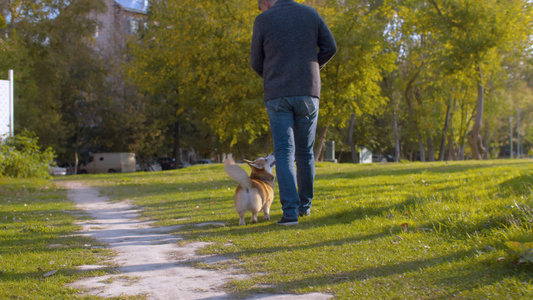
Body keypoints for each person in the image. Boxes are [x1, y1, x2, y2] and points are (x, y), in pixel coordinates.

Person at [250, 0, 337, 225]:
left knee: (284, 152)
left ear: (266, 2)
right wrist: (312, 69)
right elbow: (330, 47)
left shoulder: (263, 20)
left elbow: (255, 61)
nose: (264, 11)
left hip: (277, 93)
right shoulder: (311, 13)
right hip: (308, 92)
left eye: (262, 7)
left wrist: (272, 75)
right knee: (305, 153)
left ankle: (290, 213)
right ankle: (304, 208)